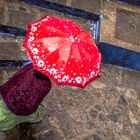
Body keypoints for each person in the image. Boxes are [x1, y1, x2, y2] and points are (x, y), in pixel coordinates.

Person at [0, 63, 51, 131]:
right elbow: (31, 105)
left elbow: (13, 79)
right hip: (17, 111)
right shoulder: (45, 85)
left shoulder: (29, 66)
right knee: (39, 114)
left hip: (7, 96)